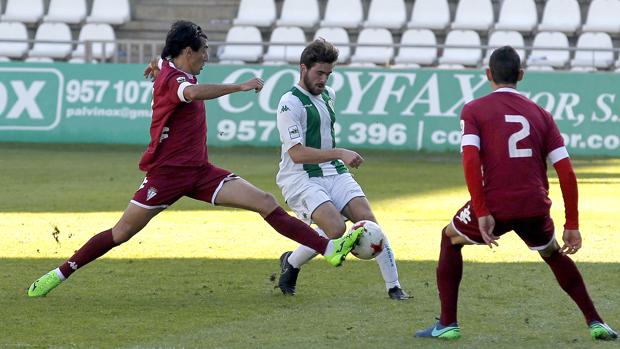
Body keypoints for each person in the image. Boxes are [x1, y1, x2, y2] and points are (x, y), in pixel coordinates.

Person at [27, 21, 363, 298]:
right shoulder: (177, 81)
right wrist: (240, 86)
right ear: (188, 52)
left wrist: (155, 64)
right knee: (120, 233)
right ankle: (60, 272)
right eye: (204, 51)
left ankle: (328, 249)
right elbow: (193, 93)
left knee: (264, 201)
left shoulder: (170, 67)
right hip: (167, 176)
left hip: (200, 172)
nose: (207, 57)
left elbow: (165, 63)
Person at [415, 46, 617, 341]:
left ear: (488, 74)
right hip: (535, 203)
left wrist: (482, 211)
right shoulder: (542, 115)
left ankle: (447, 323)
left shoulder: (474, 109)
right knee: (552, 253)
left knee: (450, 238)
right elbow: (566, 171)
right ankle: (596, 321)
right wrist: (571, 224)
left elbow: (470, 159)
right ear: (521, 75)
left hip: (496, 203)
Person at [274, 38, 409, 300]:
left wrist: (336, 158)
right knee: (335, 229)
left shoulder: (328, 95)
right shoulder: (289, 103)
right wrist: (340, 152)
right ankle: (291, 262)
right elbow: (297, 153)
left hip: (334, 171)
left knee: (369, 222)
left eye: (328, 73)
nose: (324, 79)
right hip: (300, 177)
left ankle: (394, 287)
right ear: (303, 68)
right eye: (319, 73)